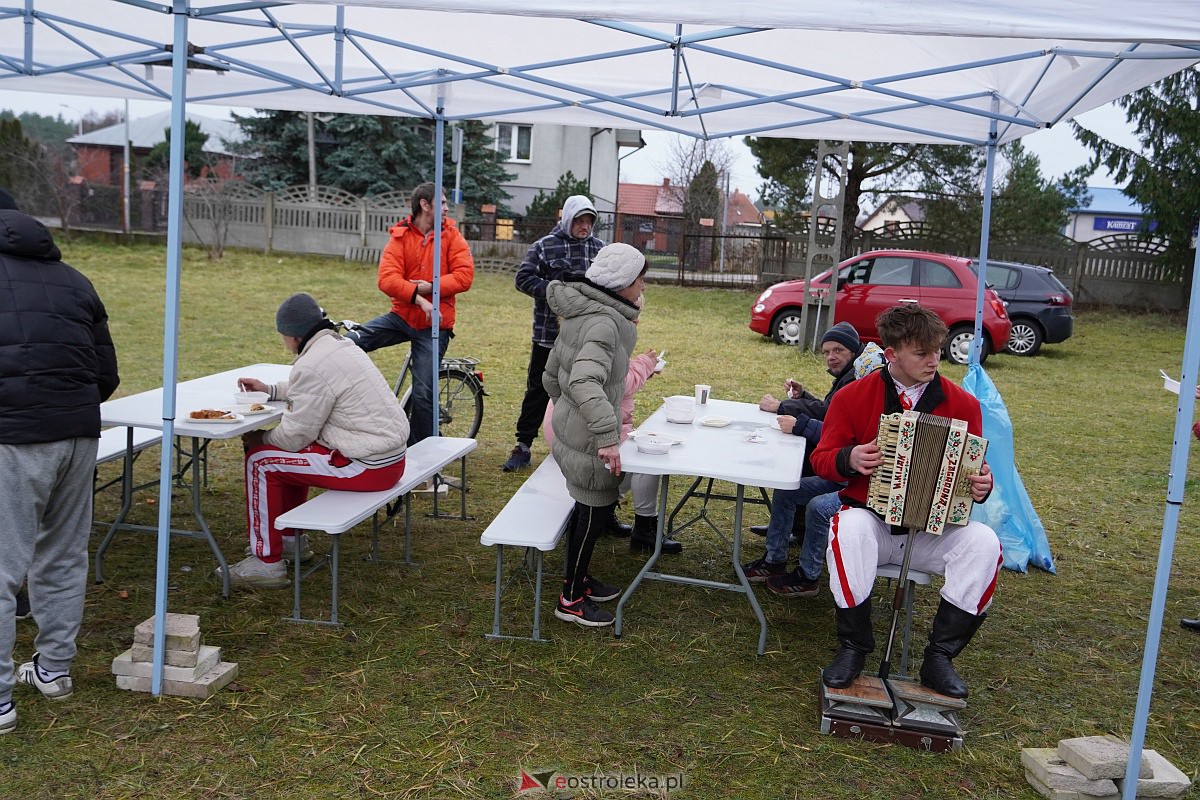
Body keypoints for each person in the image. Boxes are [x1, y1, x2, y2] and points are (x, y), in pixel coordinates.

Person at [811, 304, 1000, 699]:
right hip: (875, 523)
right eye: (922, 353)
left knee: (984, 543)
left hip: (932, 532)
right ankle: (854, 646)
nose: (934, 361)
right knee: (846, 527)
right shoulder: (852, 397)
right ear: (891, 353)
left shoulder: (964, 405)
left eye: (938, 351)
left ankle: (940, 658)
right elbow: (823, 460)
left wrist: (983, 483)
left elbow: (975, 469)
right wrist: (850, 458)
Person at [0, 187, 120, 735]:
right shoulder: (75, 280)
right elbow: (106, 373)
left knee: (2, 568)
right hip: (78, 432)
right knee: (63, 555)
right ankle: (53, 669)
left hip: (17, 438)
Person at [224, 293, 410, 589]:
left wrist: (258, 438)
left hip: (368, 466)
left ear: (294, 335)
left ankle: (266, 562)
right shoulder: (340, 345)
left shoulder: (312, 363)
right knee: (290, 456)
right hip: (388, 458)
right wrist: (271, 389)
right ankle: (290, 540)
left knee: (261, 460)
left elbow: (294, 435)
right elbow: (317, 388)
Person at [544, 242, 646, 627]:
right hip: (590, 438)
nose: (643, 288)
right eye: (640, 279)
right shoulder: (604, 323)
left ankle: (580, 579)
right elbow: (585, 380)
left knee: (588, 511)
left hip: (575, 429)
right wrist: (605, 435)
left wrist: (568, 410)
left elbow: (552, 376)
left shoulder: (583, 312)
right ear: (623, 284)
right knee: (592, 513)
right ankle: (570, 599)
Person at [345, 182, 474, 445]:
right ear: (425, 205)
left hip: (434, 326)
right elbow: (386, 279)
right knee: (349, 343)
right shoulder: (400, 236)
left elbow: (464, 276)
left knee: (425, 394)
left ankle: (421, 455)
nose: (448, 208)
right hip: (402, 317)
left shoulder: (452, 236)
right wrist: (419, 298)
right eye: (443, 203)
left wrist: (431, 287)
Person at [743, 323, 865, 592]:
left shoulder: (860, 381)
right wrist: (804, 398)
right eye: (827, 351)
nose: (831, 356)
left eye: (838, 350)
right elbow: (831, 414)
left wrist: (797, 422)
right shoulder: (851, 376)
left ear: (855, 351)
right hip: (844, 473)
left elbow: (842, 435)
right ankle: (774, 560)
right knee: (787, 489)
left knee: (818, 507)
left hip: (856, 483)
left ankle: (808, 576)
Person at [504, 194, 604, 472]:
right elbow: (523, 279)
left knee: (581, 390)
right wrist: (553, 291)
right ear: (568, 219)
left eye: (589, 221)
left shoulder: (600, 249)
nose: (584, 226)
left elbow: (611, 284)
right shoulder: (544, 247)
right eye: (579, 220)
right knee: (538, 389)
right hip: (548, 335)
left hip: (585, 337)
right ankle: (522, 446)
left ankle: (579, 447)